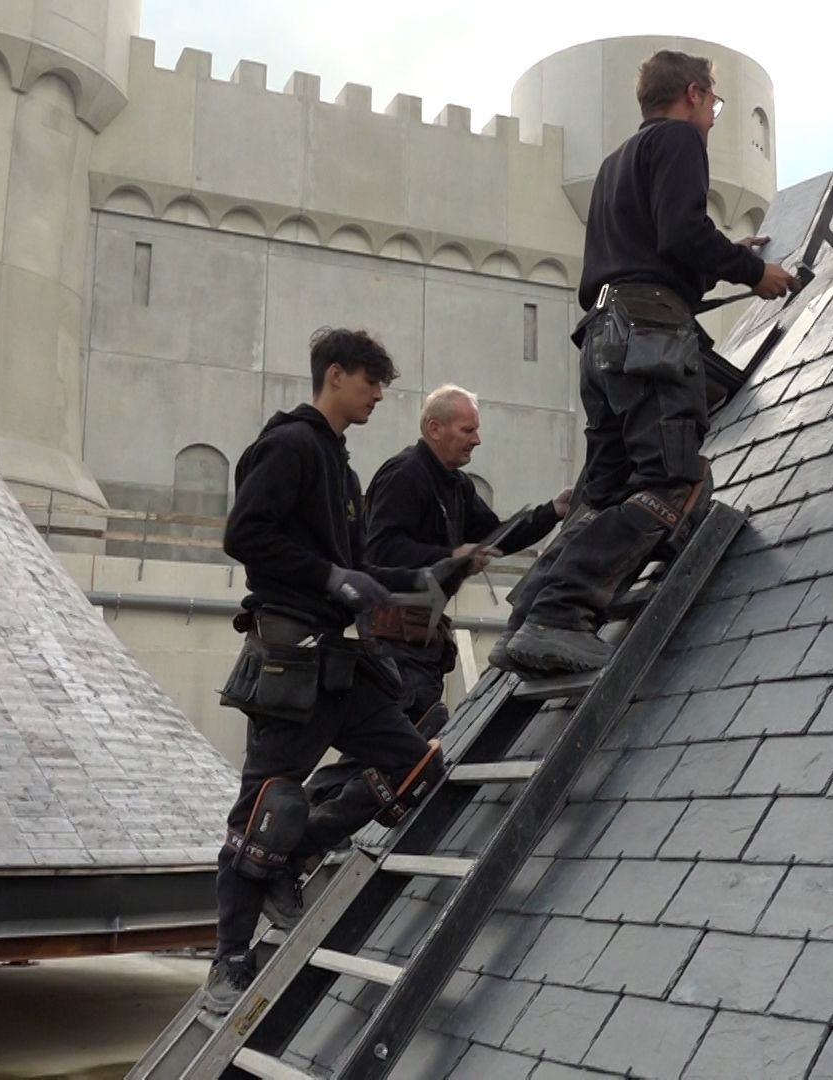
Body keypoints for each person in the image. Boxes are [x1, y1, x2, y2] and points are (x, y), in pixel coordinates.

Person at [497, 49, 798, 675]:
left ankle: (530, 609)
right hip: (651, 334)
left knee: (604, 489)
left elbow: (658, 248)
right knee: (672, 482)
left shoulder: (616, 164)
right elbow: (680, 235)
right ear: (692, 93)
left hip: (604, 338)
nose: (712, 117)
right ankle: (559, 615)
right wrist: (753, 271)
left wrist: (714, 256)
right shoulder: (680, 143)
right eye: (712, 104)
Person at [205, 327, 474, 1014]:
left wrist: (422, 576)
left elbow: (356, 567)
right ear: (334, 376)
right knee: (262, 811)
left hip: (344, 667)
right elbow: (245, 536)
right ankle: (227, 963)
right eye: (369, 381)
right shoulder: (292, 446)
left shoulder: (343, 470)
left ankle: (296, 855)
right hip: (292, 662)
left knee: (416, 767)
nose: (380, 394)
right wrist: (330, 576)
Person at [360, 385, 570, 727]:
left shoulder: (456, 484)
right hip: (395, 645)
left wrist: (553, 511)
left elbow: (495, 537)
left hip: (421, 644)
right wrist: (452, 555)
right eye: (467, 429)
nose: (477, 440)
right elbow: (380, 550)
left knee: (406, 742)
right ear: (434, 429)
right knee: (403, 743)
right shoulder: (404, 474)